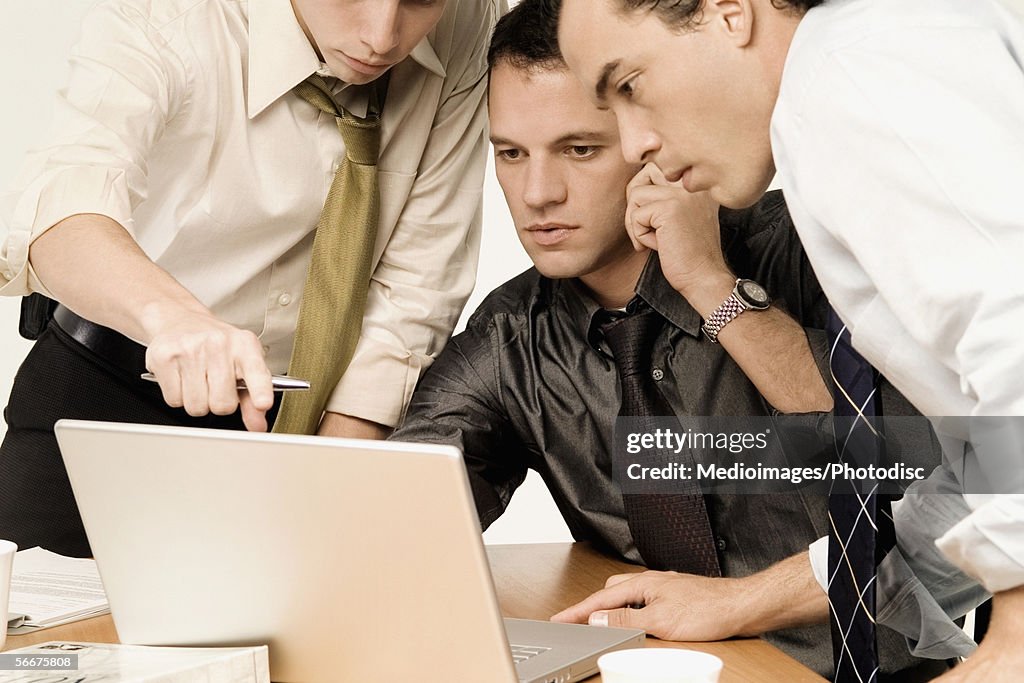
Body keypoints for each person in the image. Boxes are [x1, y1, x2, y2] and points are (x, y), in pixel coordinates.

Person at [390, 4, 946, 679]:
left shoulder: (805, 245)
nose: (536, 193)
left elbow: (943, 477)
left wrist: (709, 285)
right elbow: (398, 508)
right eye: (510, 153)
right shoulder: (514, 337)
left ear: (644, 133)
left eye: (579, 149)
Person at [553, 0, 1024, 679]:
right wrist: (746, 602)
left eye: (629, 85)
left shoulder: (846, 74)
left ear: (726, 11)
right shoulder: (858, 71)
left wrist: (1012, 639)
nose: (634, 145)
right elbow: (981, 472)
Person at [0, 0, 501, 557]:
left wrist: (330, 481)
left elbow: (417, 282)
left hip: (308, 426)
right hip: (108, 396)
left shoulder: (470, 18)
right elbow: (61, 206)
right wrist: (175, 321)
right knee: (38, 640)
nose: (382, 36)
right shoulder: (166, 14)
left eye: (420, 0)